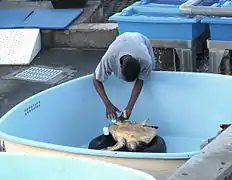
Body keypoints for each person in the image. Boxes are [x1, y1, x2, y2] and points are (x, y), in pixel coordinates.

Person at [93, 32, 155, 121]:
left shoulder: (145, 60)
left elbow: (140, 80)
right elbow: (96, 79)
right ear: (120, 67)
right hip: (121, 40)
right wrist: (107, 104)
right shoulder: (109, 58)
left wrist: (129, 108)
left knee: (151, 72)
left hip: (140, 39)